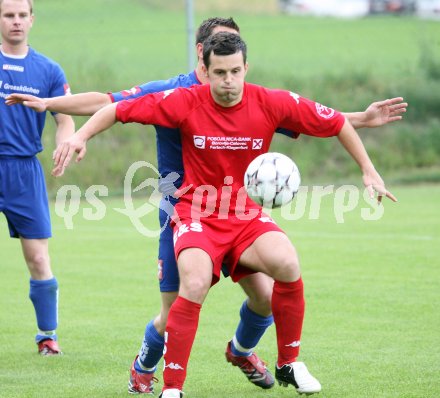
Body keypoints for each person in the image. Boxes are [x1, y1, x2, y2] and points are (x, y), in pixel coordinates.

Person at [6, 17, 407, 393]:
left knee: (268, 295)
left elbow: (316, 118)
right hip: (183, 212)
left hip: (238, 214)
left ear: (242, 63)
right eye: (219, 58)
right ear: (203, 54)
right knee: (175, 309)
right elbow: (109, 102)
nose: (228, 72)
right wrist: (53, 107)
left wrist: (363, 119)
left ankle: (242, 351)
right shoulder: (176, 93)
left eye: (235, 62)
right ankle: (146, 367)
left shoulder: (249, 96)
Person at [0, 0, 74, 355]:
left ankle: (47, 336)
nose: (15, 21)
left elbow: (65, 117)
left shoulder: (48, 70)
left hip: (23, 171)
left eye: (20, 15)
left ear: (31, 19)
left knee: (39, 258)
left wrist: (65, 144)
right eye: (7, 15)